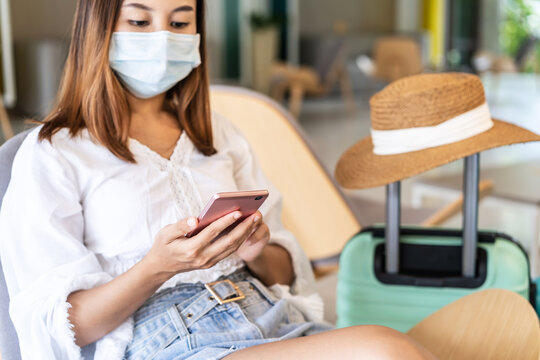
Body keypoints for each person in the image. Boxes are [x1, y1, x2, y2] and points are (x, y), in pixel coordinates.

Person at [0, 0, 435, 359]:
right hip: (169, 343)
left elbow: (285, 267)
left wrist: (257, 250)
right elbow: (60, 326)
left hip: (268, 317)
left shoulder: (218, 133)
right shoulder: (54, 152)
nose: (162, 37)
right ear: (98, 29)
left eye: (180, 21)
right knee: (387, 350)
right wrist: (157, 268)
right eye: (138, 20)